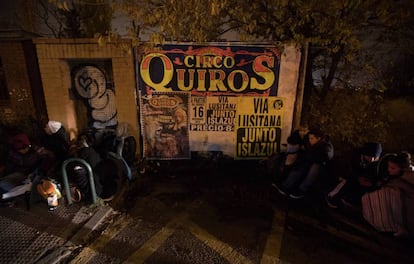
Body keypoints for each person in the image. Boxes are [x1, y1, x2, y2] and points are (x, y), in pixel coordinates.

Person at [361, 152, 414, 238]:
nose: (389, 170)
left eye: (393, 168)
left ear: (401, 169)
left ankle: (398, 227)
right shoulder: (395, 177)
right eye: (389, 167)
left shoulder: (407, 176)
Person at [273, 128, 334, 199]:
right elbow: (294, 139)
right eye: (309, 138)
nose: (310, 140)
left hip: (320, 164)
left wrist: (308, 156)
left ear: (318, 139)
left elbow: (324, 157)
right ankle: (286, 185)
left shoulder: (326, 147)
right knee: (300, 165)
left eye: (312, 138)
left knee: (314, 168)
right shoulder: (308, 141)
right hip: (310, 159)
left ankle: (302, 190)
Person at [325, 142, 383, 208]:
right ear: (364, 153)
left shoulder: (373, 163)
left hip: (355, 177)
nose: (372, 159)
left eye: (374, 157)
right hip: (339, 174)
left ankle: (349, 200)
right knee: (346, 181)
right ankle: (332, 197)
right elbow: (345, 170)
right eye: (370, 156)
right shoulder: (352, 156)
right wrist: (358, 178)